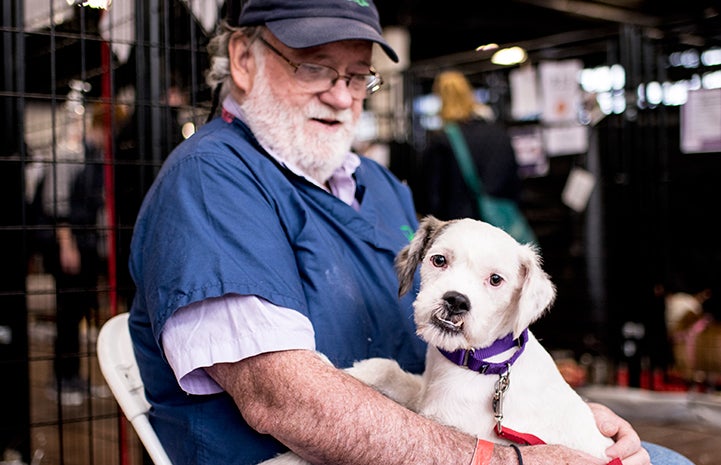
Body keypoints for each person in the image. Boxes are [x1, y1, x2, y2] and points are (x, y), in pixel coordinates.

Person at [127, 1, 693, 464]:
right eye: (315, 67)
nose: (342, 95)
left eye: (357, 75)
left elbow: (444, 352)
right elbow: (286, 403)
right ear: (244, 61)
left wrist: (556, 416)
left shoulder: (372, 181)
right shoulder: (213, 182)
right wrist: (505, 460)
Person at [29, 101, 105, 405]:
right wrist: (67, 244)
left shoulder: (93, 156)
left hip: (85, 245)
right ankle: (62, 378)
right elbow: (56, 204)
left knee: (78, 312)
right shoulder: (68, 154)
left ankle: (74, 376)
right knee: (67, 313)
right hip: (69, 245)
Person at [417, 70, 523, 223]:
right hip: (500, 227)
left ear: (440, 98)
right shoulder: (498, 133)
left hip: (459, 231)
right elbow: (514, 183)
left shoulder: (442, 141)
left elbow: (430, 199)